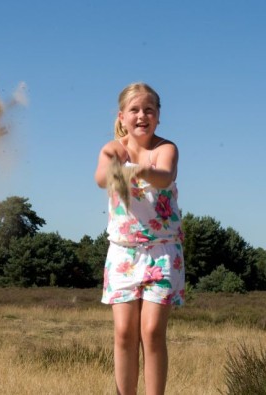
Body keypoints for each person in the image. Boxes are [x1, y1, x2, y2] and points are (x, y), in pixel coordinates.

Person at [93, 83, 185, 395]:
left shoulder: (165, 148)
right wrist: (124, 165)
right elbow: (102, 178)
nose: (142, 115)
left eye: (149, 110)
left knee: (152, 330)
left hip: (162, 252)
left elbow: (164, 175)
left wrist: (140, 169)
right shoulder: (114, 148)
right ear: (122, 116)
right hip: (123, 253)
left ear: (158, 117)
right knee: (123, 332)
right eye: (134, 110)